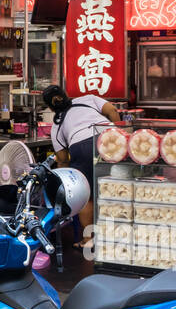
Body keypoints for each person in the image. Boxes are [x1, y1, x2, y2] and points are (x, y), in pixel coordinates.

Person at [43, 83, 120, 219]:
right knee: (118, 186)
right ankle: (117, 231)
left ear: (50, 107)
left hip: (81, 148)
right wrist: (120, 135)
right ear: (65, 94)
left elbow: (62, 159)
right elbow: (112, 111)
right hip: (109, 138)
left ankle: (86, 238)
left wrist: (67, 181)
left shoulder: (56, 126)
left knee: (86, 196)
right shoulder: (88, 99)